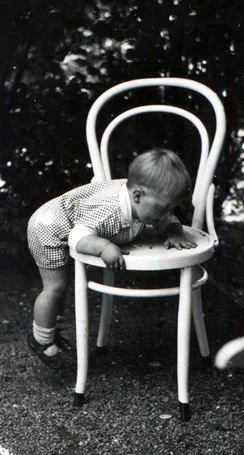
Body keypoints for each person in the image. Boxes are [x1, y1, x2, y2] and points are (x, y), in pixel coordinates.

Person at [26, 148, 196, 366]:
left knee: (63, 286)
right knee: (55, 287)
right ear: (137, 196)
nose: (168, 214)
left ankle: (51, 328)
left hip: (68, 221)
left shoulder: (143, 198)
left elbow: (162, 218)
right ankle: (42, 340)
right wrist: (104, 246)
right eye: (165, 208)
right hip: (48, 228)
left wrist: (173, 230)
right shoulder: (110, 212)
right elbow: (78, 235)